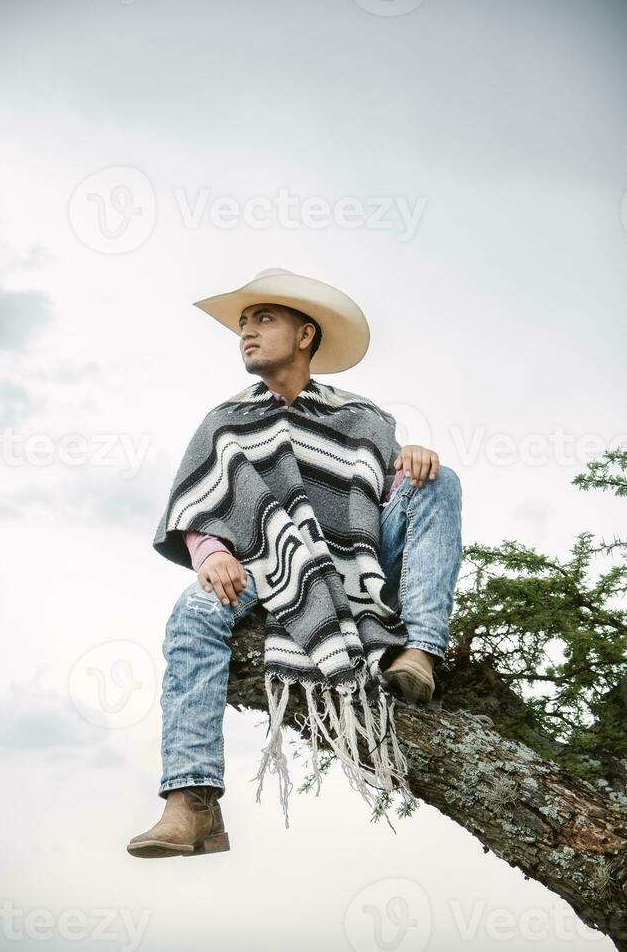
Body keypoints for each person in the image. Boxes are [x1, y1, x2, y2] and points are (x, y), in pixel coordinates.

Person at [127, 268, 462, 858]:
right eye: (242, 325)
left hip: (358, 557)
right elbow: (200, 507)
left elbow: (385, 499)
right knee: (192, 613)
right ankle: (192, 801)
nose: (246, 334)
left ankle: (421, 652)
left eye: (263, 320)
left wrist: (412, 457)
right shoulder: (224, 421)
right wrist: (213, 555)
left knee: (440, 478)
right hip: (269, 559)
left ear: (305, 335)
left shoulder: (362, 417)